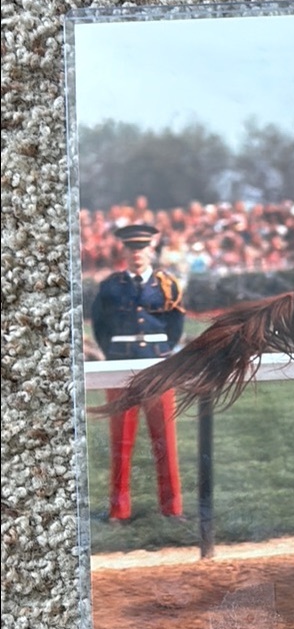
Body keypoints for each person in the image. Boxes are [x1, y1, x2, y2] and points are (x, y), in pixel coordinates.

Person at [91, 223, 186, 521]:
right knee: (121, 440)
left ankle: (172, 509)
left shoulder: (167, 285)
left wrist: (161, 353)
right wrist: (115, 355)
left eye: (142, 248)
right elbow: (100, 327)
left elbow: (174, 329)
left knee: (165, 439)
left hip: (157, 367)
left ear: (151, 250)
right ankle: (119, 511)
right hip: (120, 366)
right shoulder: (110, 286)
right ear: (124, 251)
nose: (137, 254)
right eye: (131, 249)